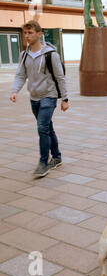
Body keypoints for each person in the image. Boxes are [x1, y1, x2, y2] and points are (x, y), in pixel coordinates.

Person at [10, 20, 69, 178]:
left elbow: (60, 77)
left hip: (48, 96)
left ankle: (43, 163)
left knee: (42, 128)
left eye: (30, 33)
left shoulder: (51, 54)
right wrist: (15, 90)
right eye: (25, 33)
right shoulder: (24, 55)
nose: (27, 36)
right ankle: (57, 157)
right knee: (48, 128)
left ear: (39, 34)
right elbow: (20, 75)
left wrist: (65, 98)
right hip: (34, 97)